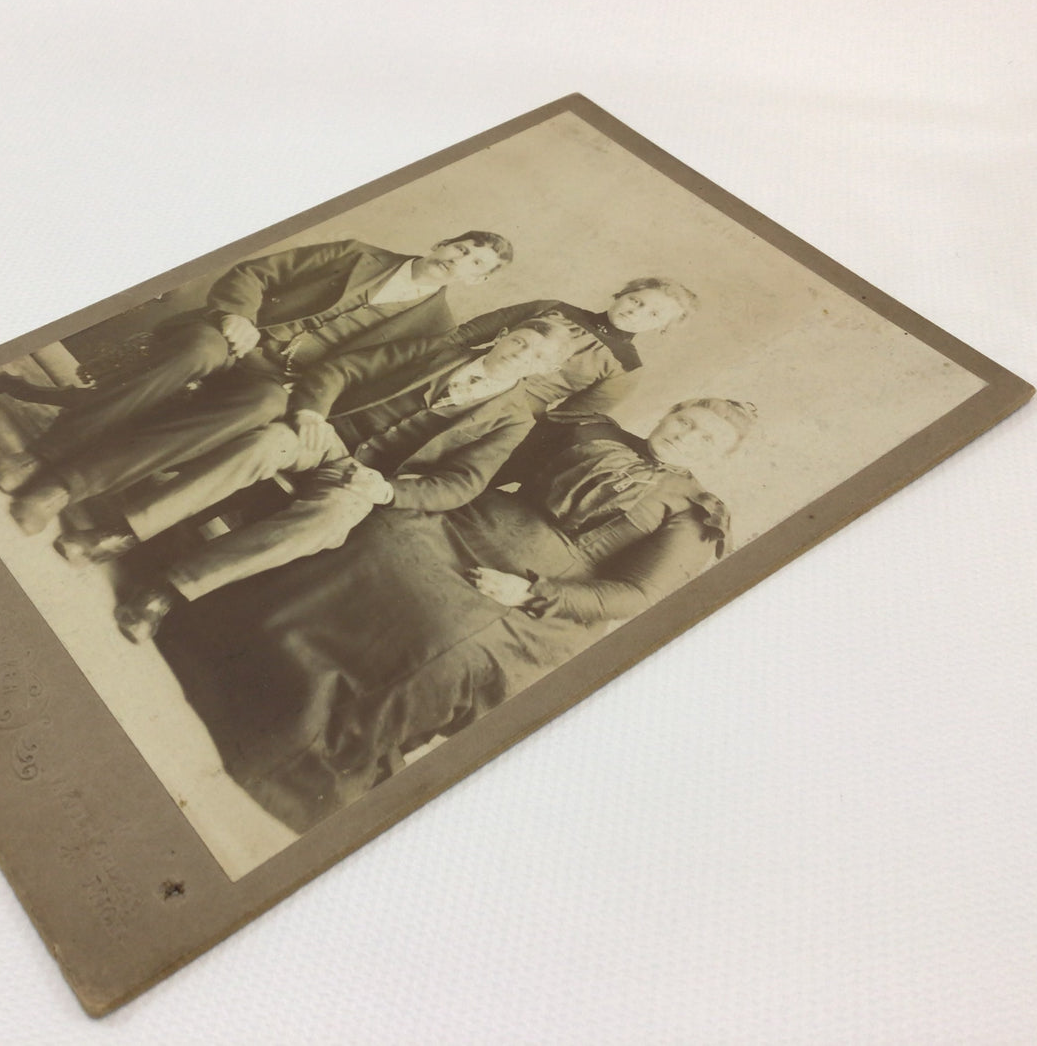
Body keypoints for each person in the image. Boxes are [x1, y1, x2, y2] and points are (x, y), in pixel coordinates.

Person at [153, 397, 757, 832]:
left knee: (446, 635)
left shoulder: (694, 512)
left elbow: (635, 595)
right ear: (672, 410)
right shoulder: (590, 431)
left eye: (706, 439)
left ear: (720, 457)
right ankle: (214, 643)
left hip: (537, 599)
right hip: (467, 524)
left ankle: (296, 743)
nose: (686, 435)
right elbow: (491, 472)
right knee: (380, 537)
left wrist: (532, 592)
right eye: (686, 420)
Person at [0, 232, 514, 533]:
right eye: (464, 247)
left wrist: (305, 403)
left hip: (282, 381)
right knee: (196, 351)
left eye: (476, 264)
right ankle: (43, 455)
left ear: (478, 282)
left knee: (257, 410)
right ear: (444, 240)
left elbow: (354, 378)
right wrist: (238, 316)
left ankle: (66, 486)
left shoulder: (433, 327)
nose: (460, 261)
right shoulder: (358, 254)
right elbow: (255, 274)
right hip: (236, 335)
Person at [108, 317, 576, 641]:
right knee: (265, 444)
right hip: (326, 434)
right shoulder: (439, 351)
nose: (521, 354)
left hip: (367, 478)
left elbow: (463, 483)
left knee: (331, 520)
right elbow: (341, 369)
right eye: (520, 341)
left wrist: (390, 490)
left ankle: (167, 592)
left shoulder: (514, 419)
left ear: (546, 369)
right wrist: (313, 413)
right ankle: (124, 532)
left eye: (536, 355)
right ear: (506, 335)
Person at [450, 276, 698, 418]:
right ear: (622, 294)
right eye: (635, 300)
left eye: (654, 314)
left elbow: (572, 418)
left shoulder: (627, 366)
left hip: (508, 413)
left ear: (662, 328)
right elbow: (468, 334)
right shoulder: (554, 308)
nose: (636, 312)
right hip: (461, 374)